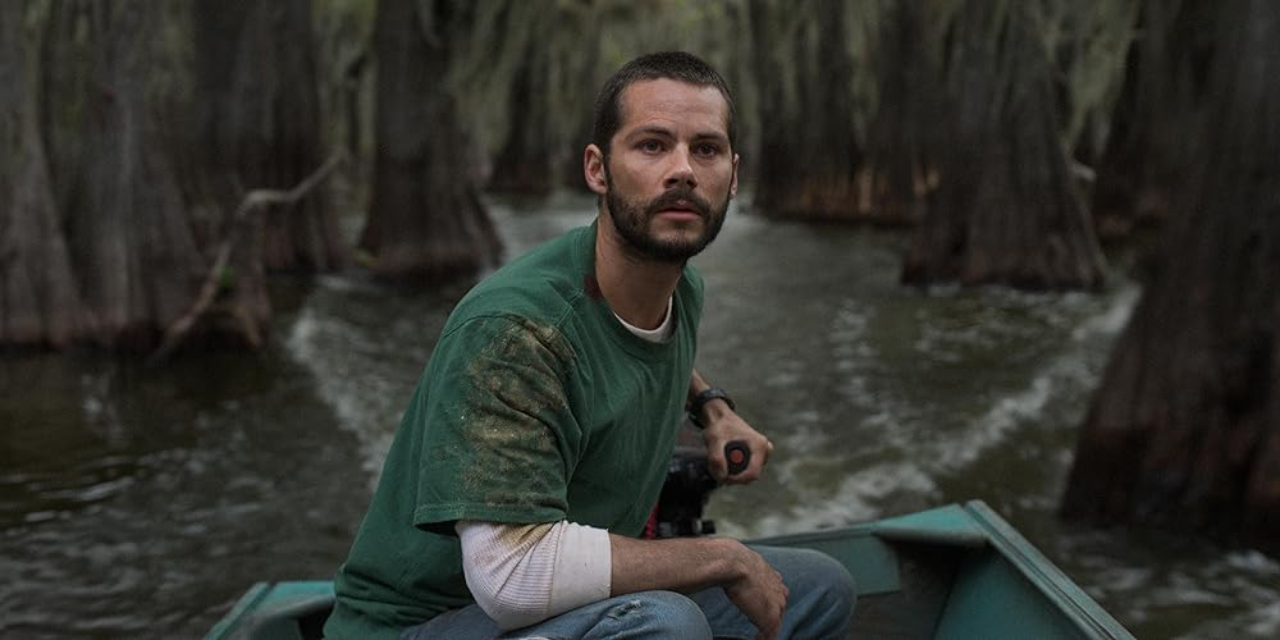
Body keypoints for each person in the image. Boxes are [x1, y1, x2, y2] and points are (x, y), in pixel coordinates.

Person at [324, 51, 855, 640]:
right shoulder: (514, 331)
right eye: (652, 145)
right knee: (664, 624)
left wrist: (713, 408)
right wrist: (722, 557)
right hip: (425, 624)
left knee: (820, 587)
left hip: (555, 611)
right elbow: (512, 578)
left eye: (704, 149)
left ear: (733, 175)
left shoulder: (680, 290)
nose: (681, 170)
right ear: (597, 169)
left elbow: (637, 346)